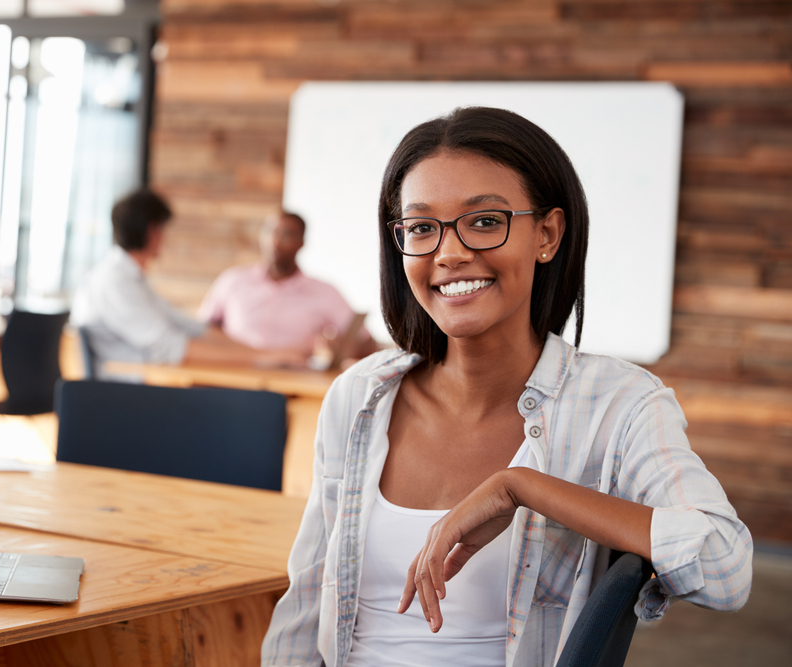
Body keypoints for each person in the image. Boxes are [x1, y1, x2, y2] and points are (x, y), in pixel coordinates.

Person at [261, 107, 752, 667]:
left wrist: (522, 487)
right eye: (421, 228)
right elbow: (304, 605)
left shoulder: (621, 405)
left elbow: (725, 568)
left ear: (547, 234)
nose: (448, 252)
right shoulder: (359, 396)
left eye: (485, 221)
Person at [71, 189, 305, 379]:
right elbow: (171, 347)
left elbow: (191, 327)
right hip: (122, 396)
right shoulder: (115, 283)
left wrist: (267, 354)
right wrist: (262, 359)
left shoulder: (130, 279)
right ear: (153, 232)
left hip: (141, 388)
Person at [198, 211, 380, 364]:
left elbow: (367, 344)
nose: (275, 241)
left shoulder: (325, 293)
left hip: (291, 386)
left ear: (301, 243)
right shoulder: (232, 282)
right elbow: (202, 330)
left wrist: (340, 349)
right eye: (270, 232)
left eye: (286, 234)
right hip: (233, 376)